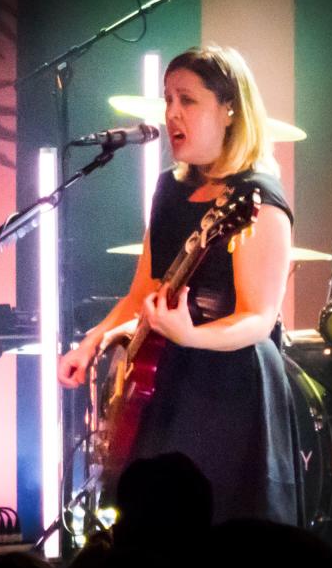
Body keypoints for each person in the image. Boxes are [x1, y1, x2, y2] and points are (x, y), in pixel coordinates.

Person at [58, 46, 300, 525]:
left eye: (187, 100)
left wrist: (191, 335)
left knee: (219, 533)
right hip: (166, 376)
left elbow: (258, 317)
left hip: (231, 387)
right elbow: (140, 293)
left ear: (229, 109)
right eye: (167, 99)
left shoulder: (258, 198)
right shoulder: (171, 188)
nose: (171, 113)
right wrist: (94, 340)